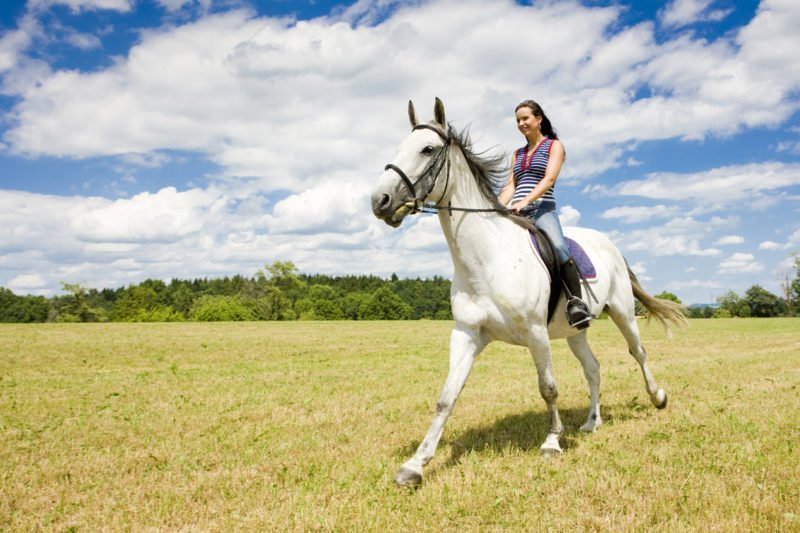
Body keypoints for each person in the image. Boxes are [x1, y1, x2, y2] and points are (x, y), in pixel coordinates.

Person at [498, 99, 592, 329]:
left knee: (558, 247)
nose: (521, 123)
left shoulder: (554, 146)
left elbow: (549, 179)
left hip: (542, 210)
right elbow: (511, 185)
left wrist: (525, 201)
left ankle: (576, 303)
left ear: (538, 119)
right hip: (517, 211)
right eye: (518, 120)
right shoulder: (517, 154)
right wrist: (496, 206)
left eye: (525, 118)